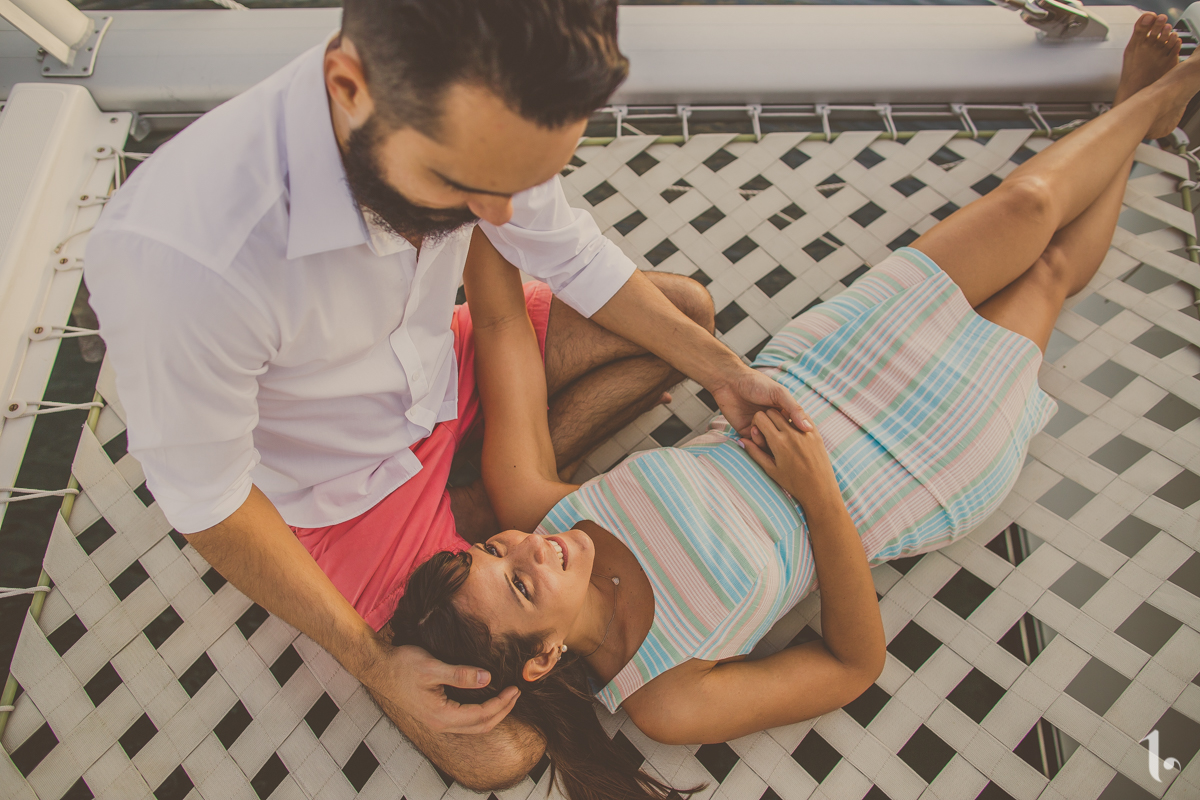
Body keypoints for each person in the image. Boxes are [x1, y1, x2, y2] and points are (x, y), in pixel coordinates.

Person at [389, 14, 1188, 798]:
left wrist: (483, 182)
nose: (528, 551)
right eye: (521, 587)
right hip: (907, 470)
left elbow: (501, 325)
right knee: (1047, 274)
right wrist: (818, 495)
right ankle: (1151, 107)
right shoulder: (665, 696)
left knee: (1026, 209)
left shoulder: (538, 507)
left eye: (494, 551)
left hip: (808, 372)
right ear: (543, 659)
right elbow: (850, 666)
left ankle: (1149, 105)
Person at [83, 0, 806, 788]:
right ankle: (489, 503)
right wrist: (369, 659)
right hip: (341, 496)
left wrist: (726, 374)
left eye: (525, 179)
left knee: (687, 317)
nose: (498, 218)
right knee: (500, 752)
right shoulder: (186, 266)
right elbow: (208, 504)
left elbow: (567, 252)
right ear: (348, 86)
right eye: (466, 184)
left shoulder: (472, 113)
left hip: (441, 369)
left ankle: (488, 497)